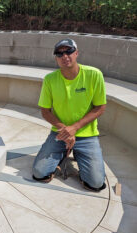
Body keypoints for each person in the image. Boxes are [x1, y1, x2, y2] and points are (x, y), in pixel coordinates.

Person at [32, 38, 107, 192]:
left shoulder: (94, 75)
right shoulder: (50, 80)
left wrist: (74, 128)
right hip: (59, 133)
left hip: (87, 134)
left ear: (76, 53)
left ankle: (79, 154)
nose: (64, 56)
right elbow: (45, 111)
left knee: (96, 183)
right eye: (59, 53)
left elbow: (100, 108)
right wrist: (65, 131)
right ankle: (60, 155)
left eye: (69, 51)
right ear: (56, 58)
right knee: (39, 172)